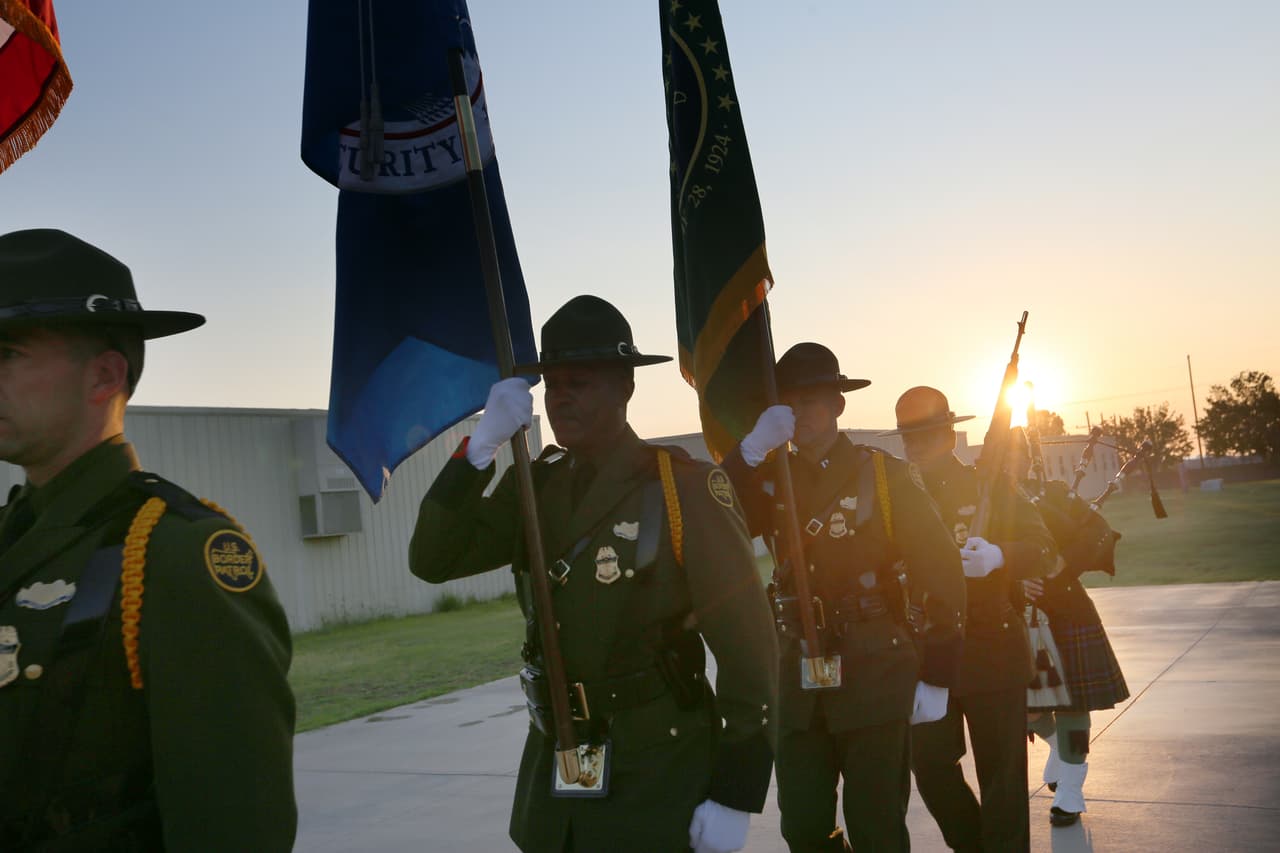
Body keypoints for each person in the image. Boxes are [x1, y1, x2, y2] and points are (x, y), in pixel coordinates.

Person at [409, 295, 778, 853]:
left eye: (578, 382)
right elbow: (433, 560)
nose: (560, 398)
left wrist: (736, 793)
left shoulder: (684, 490)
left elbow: (751, 654)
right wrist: (477, 452)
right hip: (560, 759)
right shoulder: (535, 488)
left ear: (624, 387)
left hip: (656, 767)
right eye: (552, 384)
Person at [0, 228, 296, 849]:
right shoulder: (14, 534)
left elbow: (233, 826)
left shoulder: (174, 551)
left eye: (8, 353)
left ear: (104, 375)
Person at [719, 343, 966, 852]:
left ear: (838, 405)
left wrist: (937, 672)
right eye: (787, 403)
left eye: (810, 400)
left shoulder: (883, 474)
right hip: (796, 677)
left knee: (877, 827)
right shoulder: (769, 477)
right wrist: (747, 451)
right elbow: (718, 520)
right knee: (804, 826)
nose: (798, 413)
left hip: (874, 670)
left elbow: (939, 567)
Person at [883, 386, 1056, 853]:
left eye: (925, 434)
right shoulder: (894, 494)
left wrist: (1000, 556)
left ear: (948, 433)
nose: (915, 445)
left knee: (1002, 778)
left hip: (989, 644)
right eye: (907, 437)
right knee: (931, 768)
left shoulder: (990, 484)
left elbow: (1044, 549)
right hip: (925, 651)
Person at [1007, 427, 1130, 828]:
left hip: (1069, 613)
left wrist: (1062, 567)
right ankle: (1061, 751)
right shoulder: (981, 505)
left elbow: (1098, 532)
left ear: (1028, 458)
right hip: (1010, 615)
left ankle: (1072, 787)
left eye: (1017, 455)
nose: (1010, 463)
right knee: (1022, 709)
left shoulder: (1055, 495)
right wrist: (1011, 583)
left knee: (1073, 704)